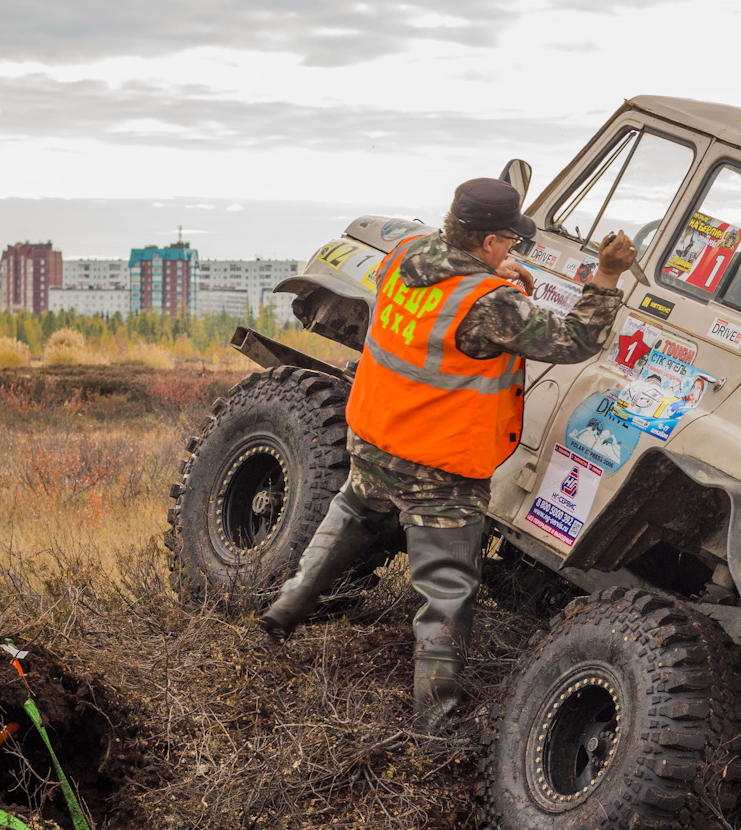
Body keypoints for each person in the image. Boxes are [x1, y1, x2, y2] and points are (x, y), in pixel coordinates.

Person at [259, 176, 639, 727]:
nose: (513, 250)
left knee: (348, 518)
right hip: (437, 467)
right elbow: (573, 341)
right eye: (510, 242)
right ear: (488, 243)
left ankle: (280, 615)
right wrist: (606, 276)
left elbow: (447, 295)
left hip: (373, 438)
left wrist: (491, 276)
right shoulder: (492, 305)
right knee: (445, 590)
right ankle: (436, 718)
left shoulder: (406, 253)